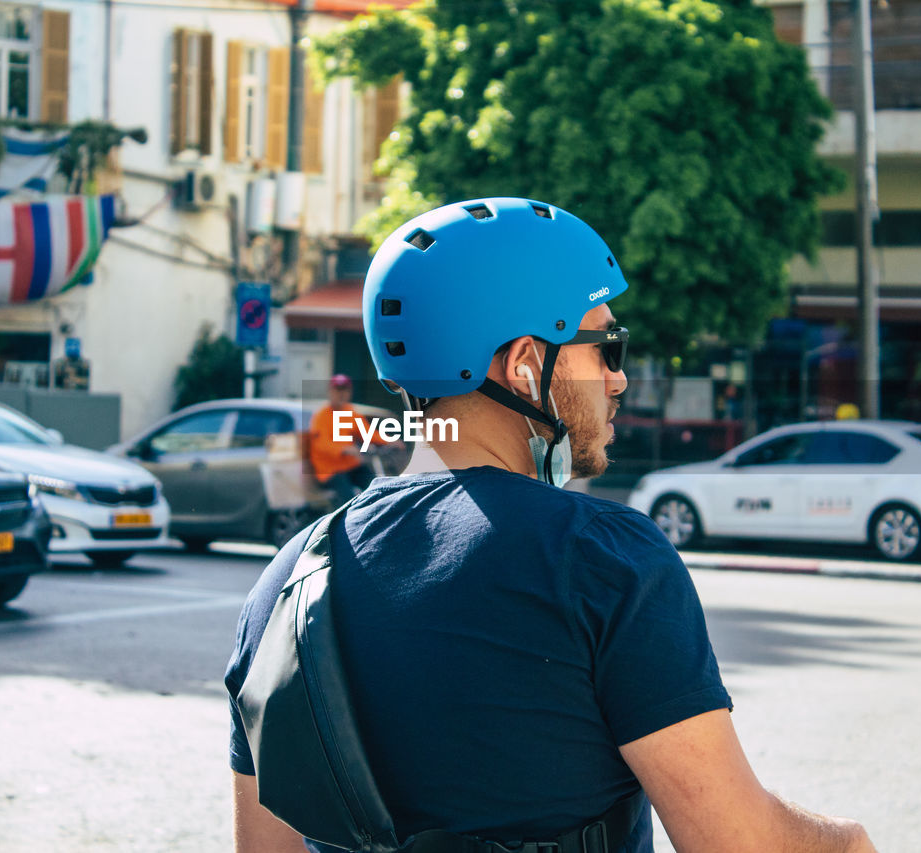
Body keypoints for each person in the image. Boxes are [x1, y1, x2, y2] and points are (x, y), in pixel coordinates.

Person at [226, 198, 877, 853]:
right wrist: (848, 841)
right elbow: (740, 843)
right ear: (526, 365)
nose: (619, 379)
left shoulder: (288, 579)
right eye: (606, 347)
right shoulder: (600, 557)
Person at [307, 373, 393, 504]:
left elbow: (367, 433)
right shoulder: (321, 416)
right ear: (331, 392)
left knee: (374, 485)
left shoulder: (351, 412)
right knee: (348, 499)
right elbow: (321, 444)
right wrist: (344, 449)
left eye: (345, 390)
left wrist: (390, 440)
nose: (341, 394)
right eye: (338, 390)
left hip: (350, 466)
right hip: (330, 471)